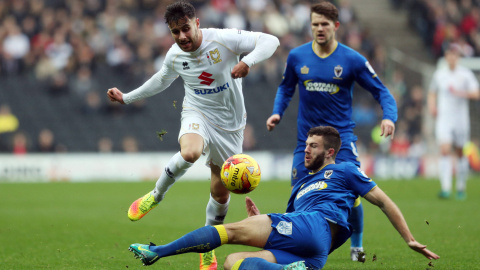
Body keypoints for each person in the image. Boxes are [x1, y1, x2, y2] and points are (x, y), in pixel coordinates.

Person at [107, 2, 280, 270]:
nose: (182, 37)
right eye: (175, 32)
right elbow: (161, 79)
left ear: (196, 22)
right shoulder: (175, 55)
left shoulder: (223, 39)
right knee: (190, 152)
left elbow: (271, 40)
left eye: (185, 29)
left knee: (220, 192)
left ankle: (207, 247)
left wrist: (247, 61)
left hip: (231, 126)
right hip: (197, 111)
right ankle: (156, 194)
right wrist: (127, 98)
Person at [127, 126, 439, 270]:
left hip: (318, 226)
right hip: (314, 253)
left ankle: (158, 252)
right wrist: (262, 219)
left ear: (330, 152)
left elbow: (383, 201)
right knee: (233, 263)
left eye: (313, 146)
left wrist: (409, 238)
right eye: (306, 144)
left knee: (230, 233)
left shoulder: (345, 171)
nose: (306, 149)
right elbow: (289, 225)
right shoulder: (301, 187)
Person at [265, 1, 397, 261]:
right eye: (315, 24)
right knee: (299, 195)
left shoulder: (352, 59)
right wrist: (277, 111)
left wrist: (389, 117)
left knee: (355, 191)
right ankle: (294, 248)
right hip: (308, 140)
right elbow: (285, 87)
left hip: (341, 140)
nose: (319, 29)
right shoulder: (297, 56)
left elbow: (382, 91)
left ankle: (356, 245)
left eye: (324, 24)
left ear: (336, 26)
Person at [427, 44, 480, 200]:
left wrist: (461, 92)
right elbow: (432, 92)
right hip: (444, 118)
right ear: (446, 57)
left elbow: (477, 93)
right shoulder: (440, 74)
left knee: (460, 152)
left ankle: (461, 187)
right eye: (449, 55)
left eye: (454, 55)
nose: (451, 58)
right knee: (444, 150)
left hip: (460, 119)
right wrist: (432, 106)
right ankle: (445, 188)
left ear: (458, 57)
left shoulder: (465, 74)